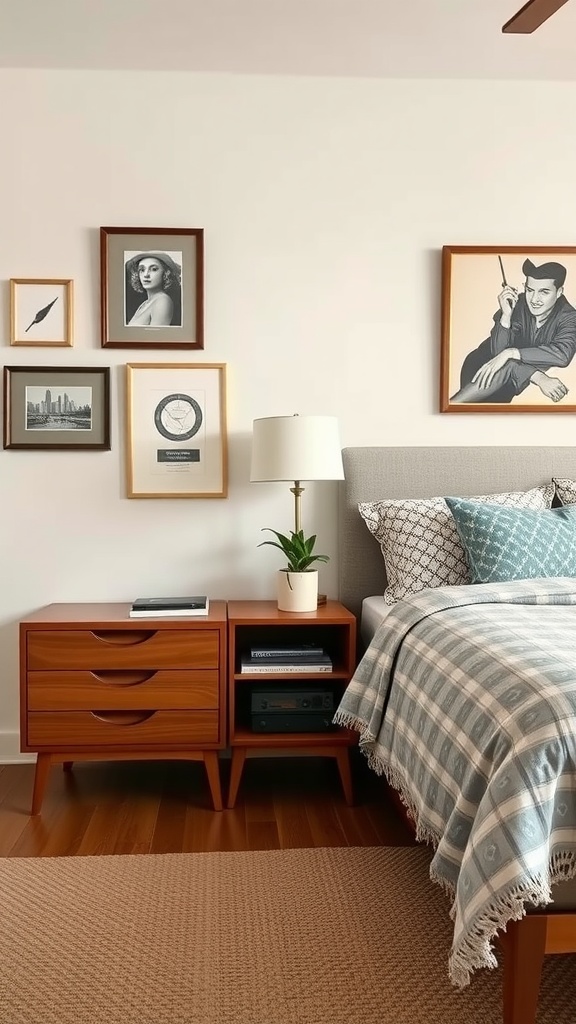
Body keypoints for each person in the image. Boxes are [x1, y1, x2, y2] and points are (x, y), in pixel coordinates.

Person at [450, 259, 576, 404]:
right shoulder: (518, 303)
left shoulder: (570, 317)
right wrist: (506, 316)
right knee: (459, 410)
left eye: (544, 292)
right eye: (530, 290)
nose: (534, 299)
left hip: (511, 381)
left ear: (559, 292)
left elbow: (562, 355)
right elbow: (498, 352)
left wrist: (511, 353)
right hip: (481, 366)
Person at [125, 251, 182, 327]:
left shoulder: (162, 301)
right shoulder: (145, 303)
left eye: (154, 269)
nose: (146, 275)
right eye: (142, 270)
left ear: (165, 274)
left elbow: (156, 337)